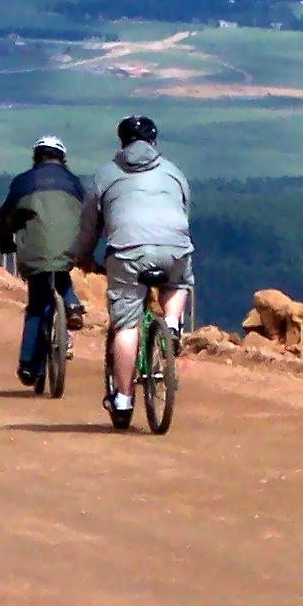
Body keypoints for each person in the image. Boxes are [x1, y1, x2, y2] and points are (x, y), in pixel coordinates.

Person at [74, 113, 191, 419]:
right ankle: (174, 324)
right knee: (179, 282)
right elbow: (184, 210)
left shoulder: (106, 174)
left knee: (127, 324)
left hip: (127, 253)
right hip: (174, 247)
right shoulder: (173, 172)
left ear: (122, 142)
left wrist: (84, 256)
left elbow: (90, 225)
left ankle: (123, 400)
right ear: (154, 141)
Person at [0, 134, 91, 386]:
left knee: (37, 305)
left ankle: (28, 366)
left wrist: (2, 242)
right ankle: (72, 303)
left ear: (36, 157)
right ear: (62, 159)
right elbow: (89, 217)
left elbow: (6, 219)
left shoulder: (23, 182)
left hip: (35, 252)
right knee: (60, 268)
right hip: (70, 248)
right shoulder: (76, 183)